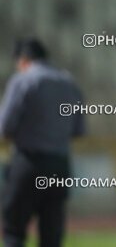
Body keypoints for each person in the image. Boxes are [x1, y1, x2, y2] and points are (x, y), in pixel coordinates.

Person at [0, 38, 84, 247]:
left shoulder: (23, 80)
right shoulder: (69, 83)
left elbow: (5, 126)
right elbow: (79, 130)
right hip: (59, 166)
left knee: (14, 232)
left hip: (28, 163)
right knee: (52, 236)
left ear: (23, 60)